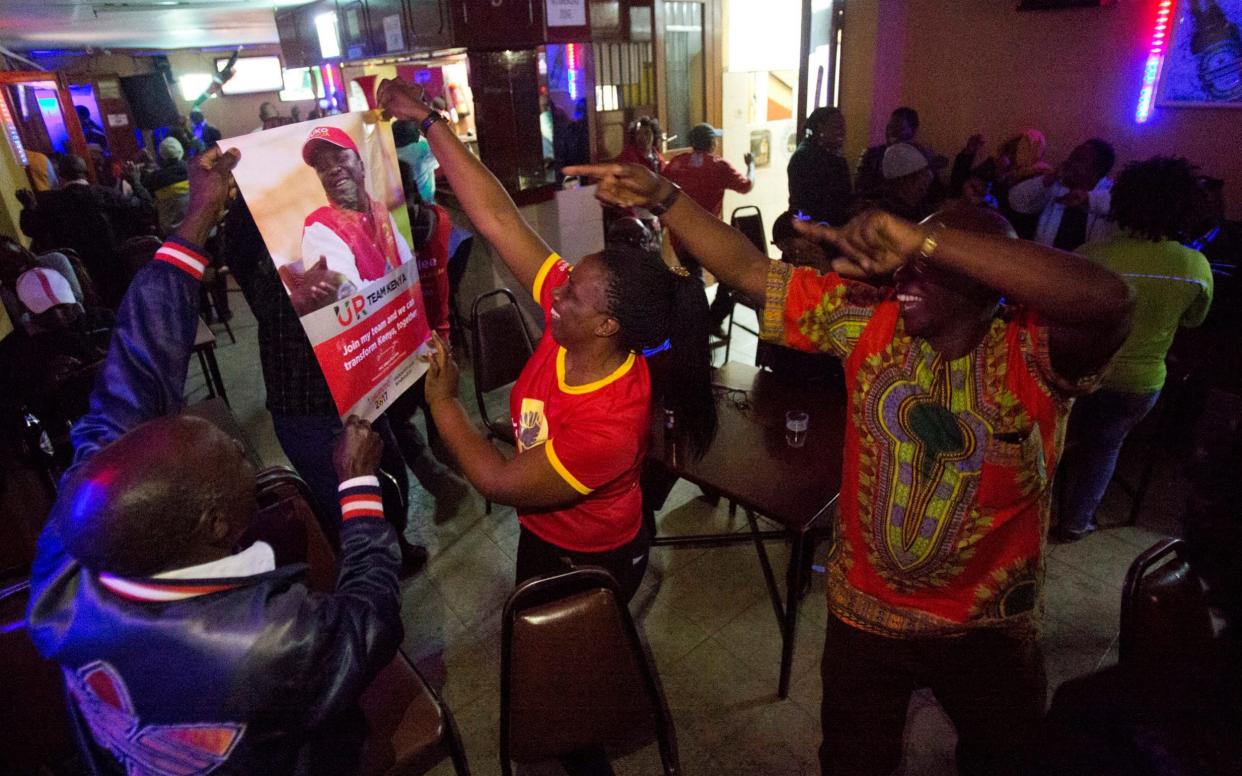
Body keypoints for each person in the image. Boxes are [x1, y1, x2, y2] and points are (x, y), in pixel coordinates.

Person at [569, 160, 1134, 776]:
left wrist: (924, 239)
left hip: (988, 629)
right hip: (866, 618)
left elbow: (1110, 301)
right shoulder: (870, 318)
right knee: (851, 760)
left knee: (1004, 759)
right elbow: (752, 272)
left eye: (931, 267)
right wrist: (666, 198)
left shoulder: (1033, 351)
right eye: (906, 263)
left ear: (988, 280)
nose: (906, 277)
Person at [26, 148, 404, 774]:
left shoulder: (72, 536)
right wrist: (359, 487)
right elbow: (366, 624)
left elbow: (136, 370)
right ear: (217, 526)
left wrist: (195, 221)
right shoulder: (268, 639)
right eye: (236, 456)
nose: (241, 446)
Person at [378, 78, 718, 606]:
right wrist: (428, 120)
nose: (554, 289)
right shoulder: (577, 322)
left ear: (608, 325)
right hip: (544, 534)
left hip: (591, 557)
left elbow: (498, 479)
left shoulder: (610, 422)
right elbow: (497, 217)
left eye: (572, 292)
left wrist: (443, 402)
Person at [223, 193, 430, 573]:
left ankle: (393, 545)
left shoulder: (336, 219)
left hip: (358, 385)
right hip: (308, 400)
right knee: (343, 498)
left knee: (387, 475)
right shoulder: (254, 236)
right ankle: (372, 573)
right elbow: (261, 292)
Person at [1055, 157, 1213, 541]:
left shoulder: (1092, 254)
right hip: (1139, 385)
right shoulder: (1195, 265)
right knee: (1107, 446)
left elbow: (1064, 314)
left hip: (1079, 376)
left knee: (1057, 443)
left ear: (1122, 201)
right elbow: (1193, 320)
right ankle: (1077, 521)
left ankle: (1035, 508)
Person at [18, 154, 152, 307]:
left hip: (76, 275)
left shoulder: (51, 202)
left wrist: (28, 208)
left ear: (60, 176)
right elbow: (146, 209)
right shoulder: (106, 194)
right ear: (86, 173)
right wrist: (136, 182)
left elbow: (31, 229)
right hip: (114, 268)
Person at [298, 125, 414, 303]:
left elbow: (408, 266)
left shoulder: (381, 211)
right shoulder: (319, 226)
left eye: (340, 158)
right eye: (322, 167)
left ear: (361, 166)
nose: (333, 169)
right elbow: (351, 299)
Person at [663, 122, 755, 333]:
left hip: (680, 236)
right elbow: (746, 186)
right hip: (709, 236)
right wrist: (751, 166)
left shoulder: (677, 163)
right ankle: (711, 321)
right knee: (730, 278)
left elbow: (661, 184)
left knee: (693, 282)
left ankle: (695, 325)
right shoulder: (719, 166)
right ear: (712, 142)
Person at [1008, 137, 1116, 250]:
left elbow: (1120, 205)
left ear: (1097, 172)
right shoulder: (1056, 185)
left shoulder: (1109, 192)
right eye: (1071, 157)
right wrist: (1048, 179)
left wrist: (1089, 199)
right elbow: (1015, 201)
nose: (1070, 163)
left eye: (1079, 160)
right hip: (1045, 261)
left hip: (1086, 265)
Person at [855, 106, 946, 200]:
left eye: (899, 127)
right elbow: (861, 192)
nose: (892, 131)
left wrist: (930, 167)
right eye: (890, 126)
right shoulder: (872, 155)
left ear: (913, 131)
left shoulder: (922, 158)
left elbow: (936, 196)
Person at [787, 106, 852, 226]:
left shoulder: (833, 156)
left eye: (843, 126)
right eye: (836, 126)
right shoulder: (804, 158)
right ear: (820, 127)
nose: (842, 131)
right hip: (813, 229)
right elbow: (809, 202)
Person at [855, 141, 935, 223]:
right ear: (907, 181)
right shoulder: (890, 216)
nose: (928, 179)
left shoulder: (914, 208)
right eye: (922, 174)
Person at [145, 136, 190, 235]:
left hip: (173, 234)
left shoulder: (155, 179)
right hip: (200, 228)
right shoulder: (194, 170)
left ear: (161, 156)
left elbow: (147, 199)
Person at [393, 119, 440, 203]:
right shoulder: (422, 148)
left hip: (403, 204)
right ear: (415, 134)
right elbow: (442, 157)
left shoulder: (388, 154)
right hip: (426, 203)